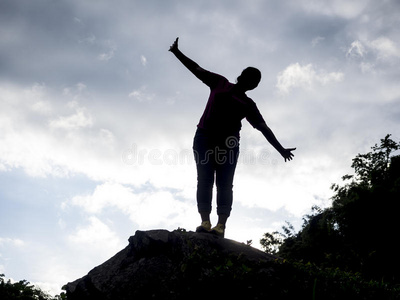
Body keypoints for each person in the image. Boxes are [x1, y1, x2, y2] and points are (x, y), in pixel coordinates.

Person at [169, 37, 295, 238]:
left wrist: (280, 150)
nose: (251, 82)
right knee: (204, 179)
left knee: (225, 184)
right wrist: (177, 53)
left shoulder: (248, 104)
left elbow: (263, 128)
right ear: (241, 76)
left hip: (228, 145)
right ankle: (205, 221)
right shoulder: (220, 83)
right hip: (204, 138)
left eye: (255, 81)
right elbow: (197, 69)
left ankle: (221, 225)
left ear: (254, 86)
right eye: (249, 77)